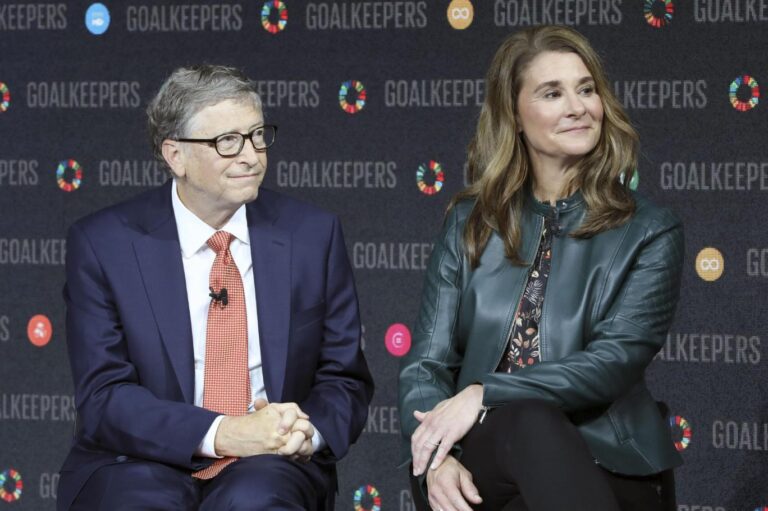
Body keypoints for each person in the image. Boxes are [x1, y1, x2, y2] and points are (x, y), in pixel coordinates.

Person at [57, 64, 373, 511]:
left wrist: (306, 432)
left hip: (270, 462)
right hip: (136, 458)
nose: (251, 156)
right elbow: (104, 396)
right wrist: (224, 433)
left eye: (257, 136)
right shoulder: (104, 244)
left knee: (255, 501)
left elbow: (343, 378)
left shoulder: (312, 236)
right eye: (228, 141)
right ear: (175, 156)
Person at [398, 25, 683, 511]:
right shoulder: (470, 223)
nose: (578, 107)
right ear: (514, 114)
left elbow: (611, 363)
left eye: (586, 89)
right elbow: (426, 363)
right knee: (527, 423)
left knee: (535, 428)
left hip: (608, 461)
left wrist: (485, 392)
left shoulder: (649, 230)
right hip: (481, 461)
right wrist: (436, 458)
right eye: (552, 93)